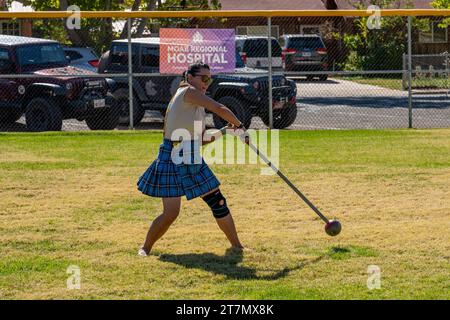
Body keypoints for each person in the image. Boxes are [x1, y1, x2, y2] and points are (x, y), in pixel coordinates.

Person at [136, 62, 247, 256]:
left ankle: (237, 246)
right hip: (173, 154)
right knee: (171, 213)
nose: (207, 83)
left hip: (190, 154)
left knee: (217, 201)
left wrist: (226, 131)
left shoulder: (197, 104)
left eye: (209, 79)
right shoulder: (189, 92)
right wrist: (240, 125)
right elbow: (219, 107)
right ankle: (145, 248)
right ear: (190, 78)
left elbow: (201, 139)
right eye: (203, 78)